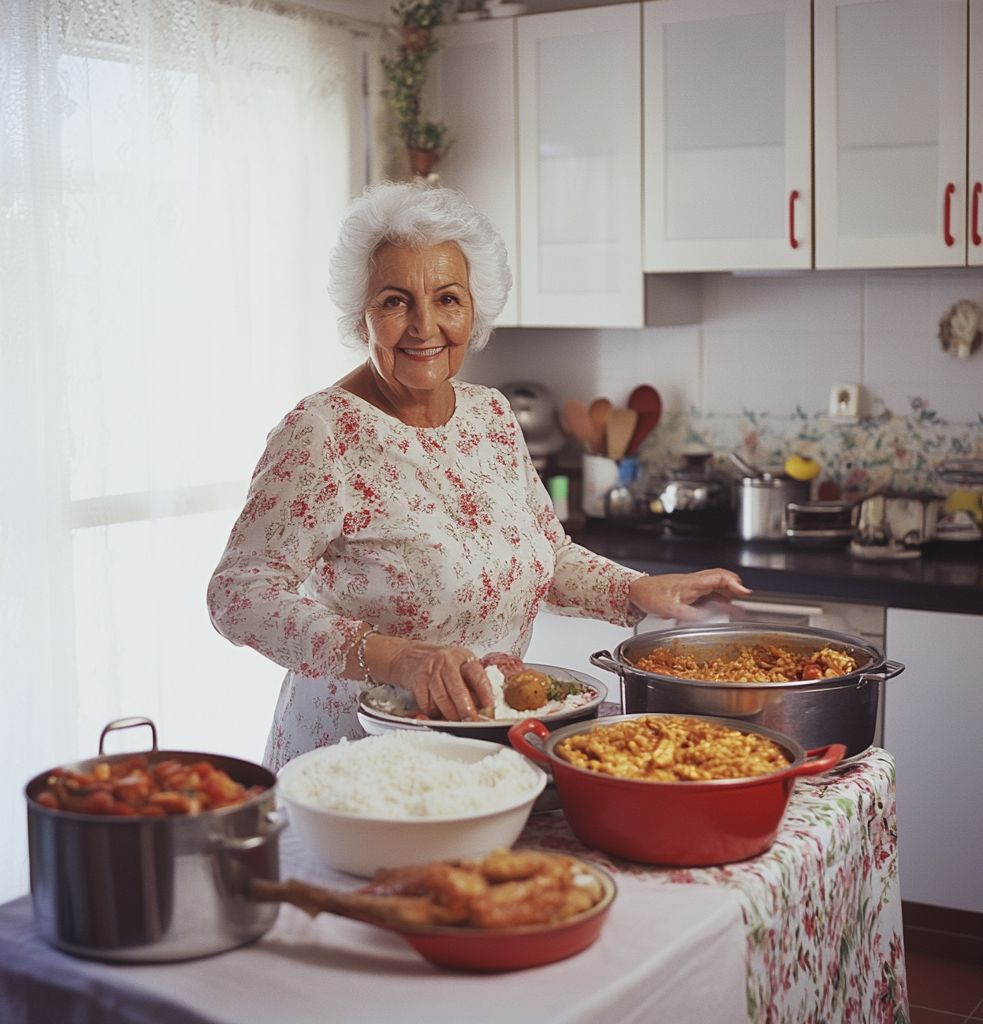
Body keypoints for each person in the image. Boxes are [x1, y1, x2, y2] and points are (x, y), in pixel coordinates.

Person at [207, 182, 750, 772]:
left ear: (474, 309)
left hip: (483, 749)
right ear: (360, 311)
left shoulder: (489, 414)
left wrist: (639, 590)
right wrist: (394, 658)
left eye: (447, 299)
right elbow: (239, 596)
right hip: (356, 758)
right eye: (394, 301)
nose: (424, 326)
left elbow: (547, 553)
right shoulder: (322, 432)